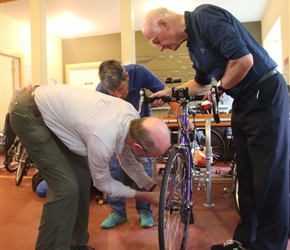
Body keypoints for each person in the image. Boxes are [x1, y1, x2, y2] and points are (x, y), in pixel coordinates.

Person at [143, 4, 289, 250]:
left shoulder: (203, 16)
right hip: (243, 101)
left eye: (157, 40)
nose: (159, 47)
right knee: (246, 175)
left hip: (265, 94)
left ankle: (269, 245)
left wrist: (218, 89)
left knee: (269, 177)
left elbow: (244, 60)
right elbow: (201, 83)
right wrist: (169, 92)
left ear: (165, 24)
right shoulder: (193, 45)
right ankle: (245, 241)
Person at [10, 84, 171, 250]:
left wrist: (153, 188)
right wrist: (143, 196)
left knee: (82, 178)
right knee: (65, 188)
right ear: (138, 147)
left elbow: (129, 161)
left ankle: (76, 244)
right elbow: (103, 184)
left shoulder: (131, 118)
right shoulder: (102, 139)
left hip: (54, 117)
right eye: (151, 156)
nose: (151, 159)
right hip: (29, 115)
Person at [96, 59, 177, 229]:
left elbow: (165, 92)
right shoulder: (100, 91)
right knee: (114, 170)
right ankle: (117, 212)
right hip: (114, 135)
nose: (118, 95)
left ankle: (144, 211)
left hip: (140, 133)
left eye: (121, 89)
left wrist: (177, 114)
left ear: (127, 76)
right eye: (113, 92)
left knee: (144, 166)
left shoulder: (139, 72)